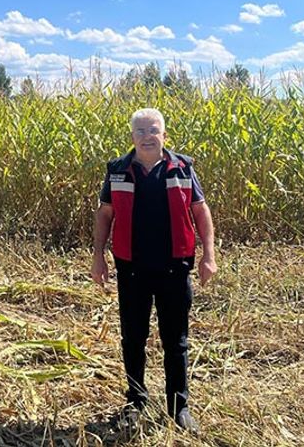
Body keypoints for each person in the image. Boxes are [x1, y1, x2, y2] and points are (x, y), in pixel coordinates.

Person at [91, 108, 216, 433]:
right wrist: (98, 257)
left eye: (154, 130)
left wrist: (208, 256)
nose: (148, 136)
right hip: (131, 268)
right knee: (133, 338)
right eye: (141, 131)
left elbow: (201, 212)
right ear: (132, 137)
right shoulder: (117, 171)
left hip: (175, 267)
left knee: (176, 340)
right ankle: (136, 401)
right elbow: (104, 216)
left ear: (164, 134)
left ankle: (180, 407)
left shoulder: (182, 168)